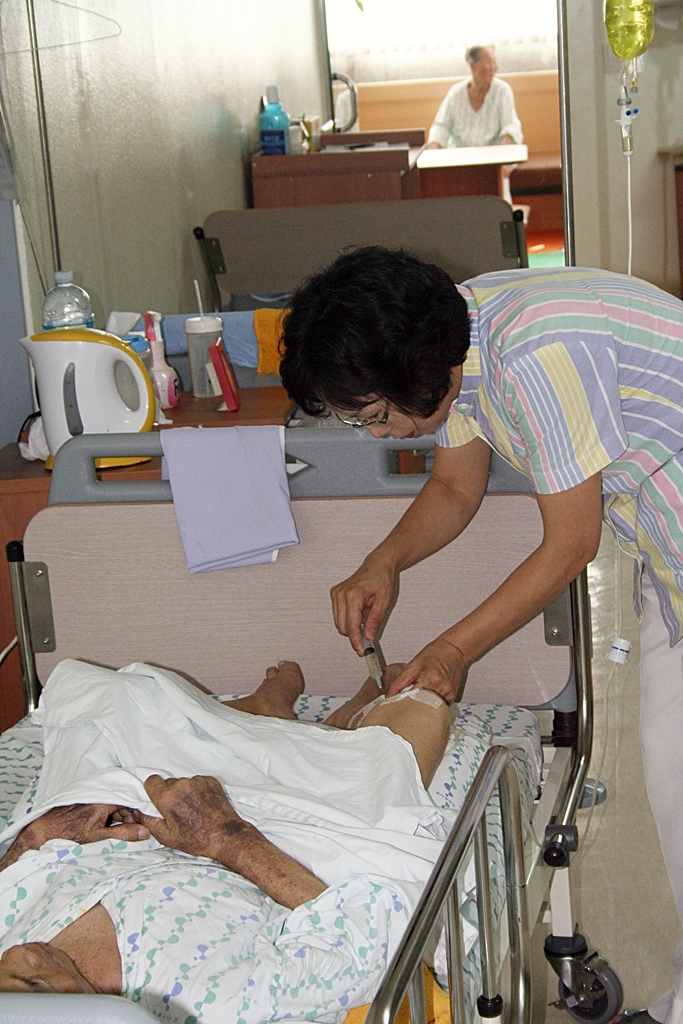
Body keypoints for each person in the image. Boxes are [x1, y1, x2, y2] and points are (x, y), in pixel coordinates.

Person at [279, 245, 683, 1024]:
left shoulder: (536, 351)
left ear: (417, 377)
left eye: (374, 416)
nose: (375, 435)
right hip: (666, 547)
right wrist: (381, 563)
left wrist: (453, 649)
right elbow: (454, 485)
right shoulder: (457, 334)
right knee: (673, 770)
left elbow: (569, 543)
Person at [0, 659, 451, 1020]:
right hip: (263, 851)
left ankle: (263, 712)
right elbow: (374, 938)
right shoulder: (213, 1003)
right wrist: (228, 836)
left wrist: (37, 837)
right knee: (422, 711)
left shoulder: (16, 959)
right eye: (35, 984)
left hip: (119, 830)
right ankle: (323, 727)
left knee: (103, 695)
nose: (21, 956)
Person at [427, 46, 523, 150]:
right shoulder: (456, 93)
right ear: (473, 65)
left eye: (494, 62)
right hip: (460, 155)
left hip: (493, 154)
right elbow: (440, 127)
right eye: (488, 63)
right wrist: (435, 153)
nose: (493, 67)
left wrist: (503, 155)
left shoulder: (502, 91)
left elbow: (510, 126)